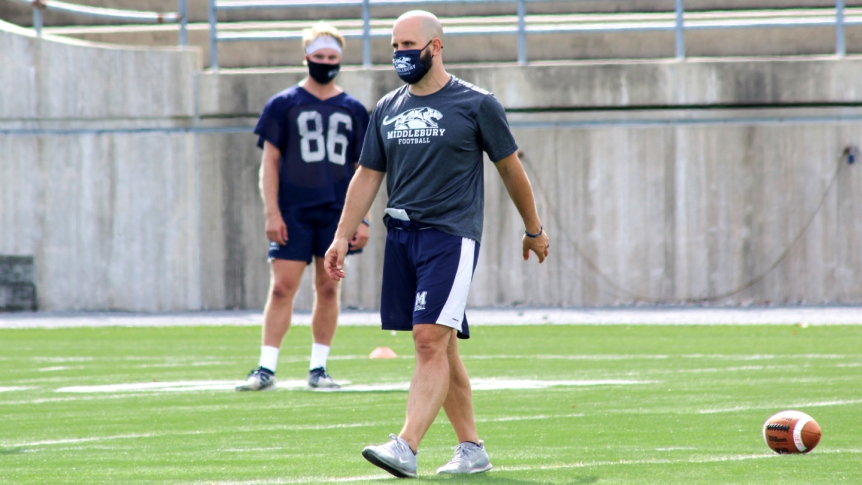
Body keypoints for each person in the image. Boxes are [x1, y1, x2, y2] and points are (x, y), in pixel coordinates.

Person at [324, 10, 550, 478]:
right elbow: (368, 175)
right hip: (401, 238)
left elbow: (510, 168)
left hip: (450, 236)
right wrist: (342, 236)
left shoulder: (476, 104)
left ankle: (406, 446)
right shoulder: (387, 108)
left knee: (429, 340)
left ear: (436, 46)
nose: (401, 54)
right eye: (394, 46)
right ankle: (472, 448)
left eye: (409, 45)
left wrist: (534, 228)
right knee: (441, 347)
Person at [237, 22, 371, 392]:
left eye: (332, 57)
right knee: (282, 287)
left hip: (336, 212)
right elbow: (270, 162)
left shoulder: (355, 109)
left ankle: (318, 368)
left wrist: (362, 219)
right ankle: (266, 367)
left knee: (328, 288)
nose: (325, 62)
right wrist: (272, 213)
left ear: (340, 59)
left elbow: (366, 170)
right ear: (306, 57)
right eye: (319, 56)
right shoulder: (283, 104)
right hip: (293, 210)